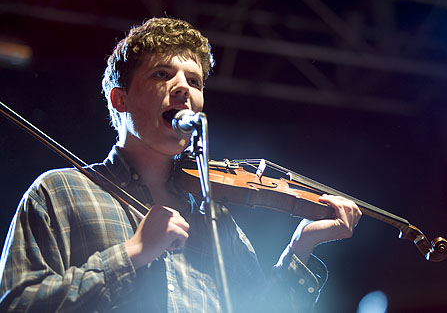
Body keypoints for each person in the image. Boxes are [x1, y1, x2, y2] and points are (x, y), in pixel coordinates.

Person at [0, 17, 362, 312]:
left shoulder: (213, 216)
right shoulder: (60, 191)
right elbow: (17, 304)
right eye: (161, 74)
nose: (183, 88)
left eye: (194, 81)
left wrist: (302, 245)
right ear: (120, 98)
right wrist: (130, 255)